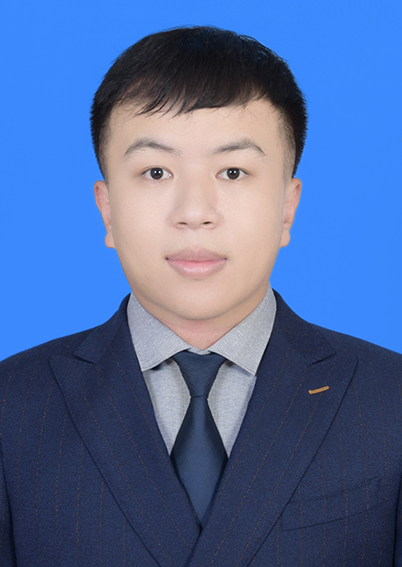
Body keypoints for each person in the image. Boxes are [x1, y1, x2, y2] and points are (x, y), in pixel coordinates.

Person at [1, 26, 401, 567]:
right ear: (107, 209)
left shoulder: (389, 401)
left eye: (233, 172)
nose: (194, 211)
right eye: (156, 171)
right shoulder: (13, 408)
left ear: (287, 207)